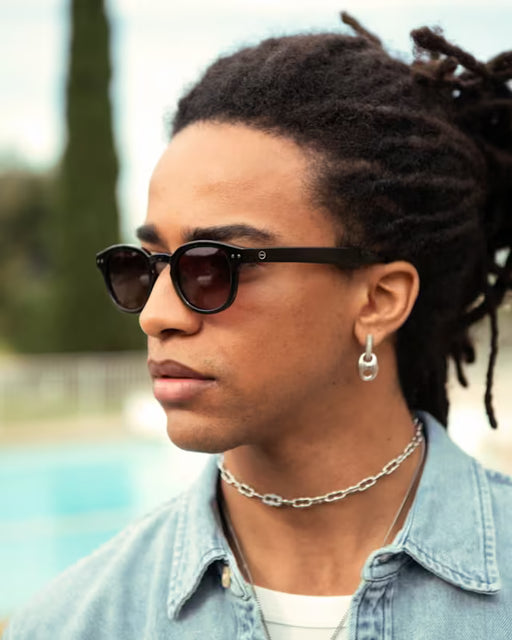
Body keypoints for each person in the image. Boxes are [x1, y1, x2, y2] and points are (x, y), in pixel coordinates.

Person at [4, 12, 512, 640]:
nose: (157, 315)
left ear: (379, 300)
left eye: (214, 267)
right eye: (144, 267)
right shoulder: (74, 623)